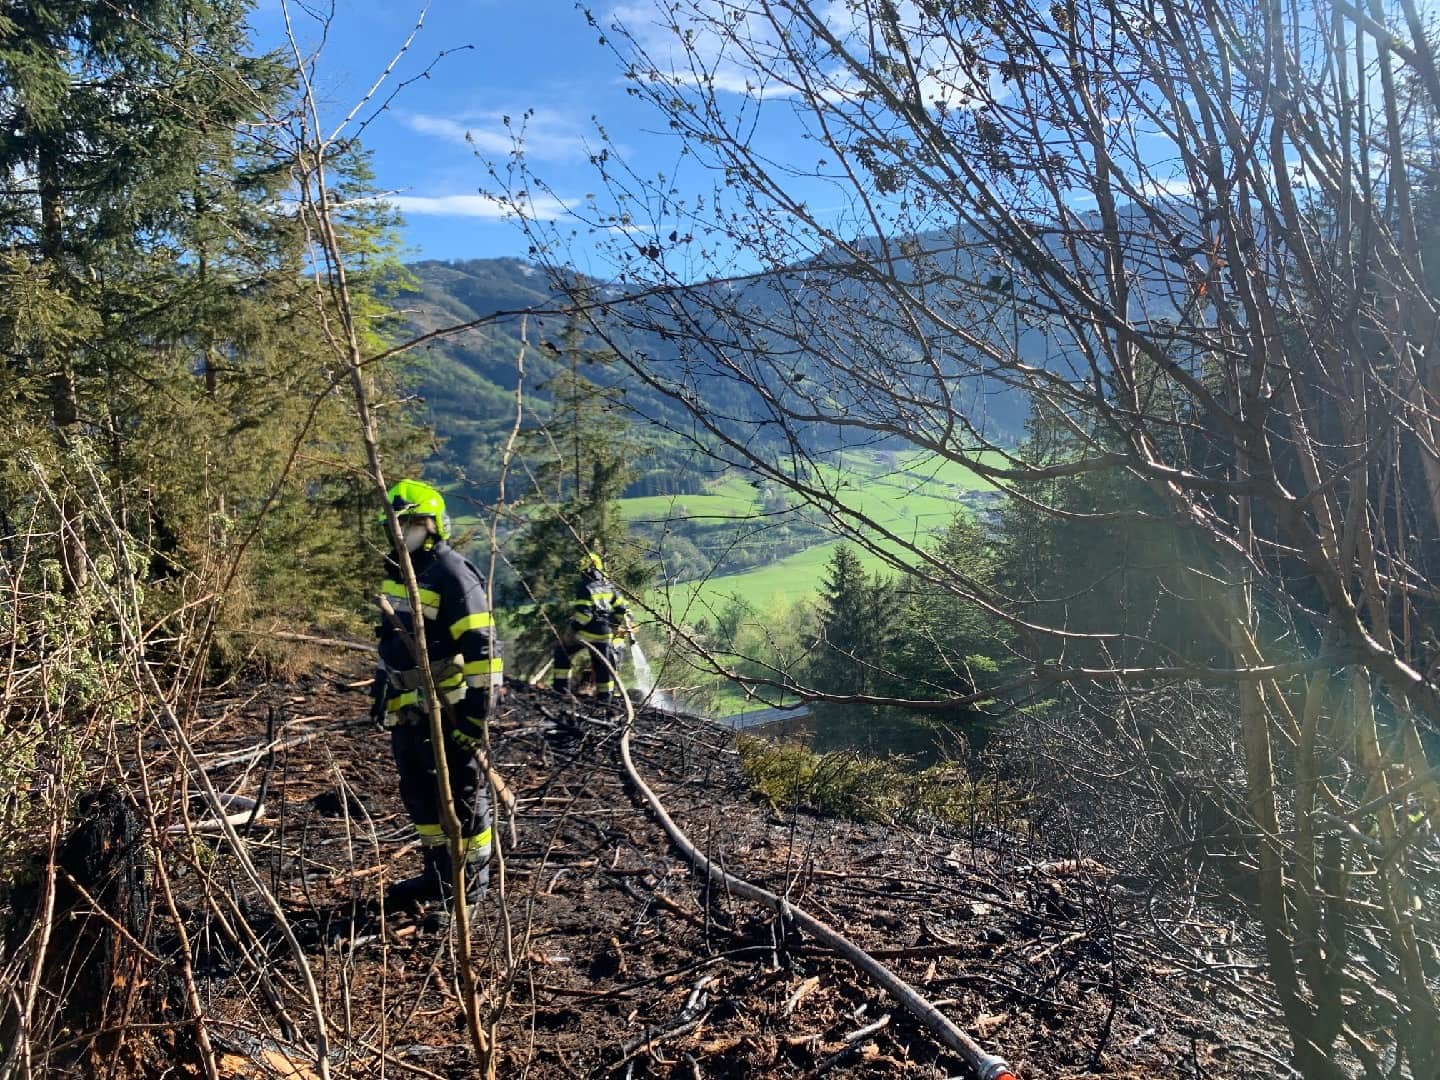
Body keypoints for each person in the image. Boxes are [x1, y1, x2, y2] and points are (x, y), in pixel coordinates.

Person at [369, 479, 502, 911]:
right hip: (408, 710)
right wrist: (381, 685)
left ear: (431, 525)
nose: (400, 532)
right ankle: (438, 877)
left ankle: (469, 894)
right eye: (395, 525)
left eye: (408, 524)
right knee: (419, 796)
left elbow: (483, 650)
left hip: (450, 709)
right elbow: (391, 638)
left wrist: (475, 717)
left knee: (462, 801)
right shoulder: (400, 571)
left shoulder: (452, 574)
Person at [552, 551, 632, 706]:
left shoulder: (585, 588)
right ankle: (605, 698)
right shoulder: (608, 587)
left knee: (562, 652)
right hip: (605, 634)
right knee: (603, 666)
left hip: (586, 633)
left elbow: (584, 616)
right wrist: (620, 624)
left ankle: (561, 690)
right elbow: (622, 609)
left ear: (584, 570)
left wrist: (573, 628)